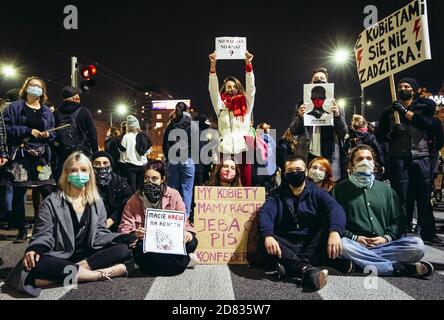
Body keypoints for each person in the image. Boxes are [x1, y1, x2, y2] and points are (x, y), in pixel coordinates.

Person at [5, 152, 132, 297]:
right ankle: (97, 275)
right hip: (59, 255)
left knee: (123, 249)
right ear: (66, 173)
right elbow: (43, 234)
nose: (79, 174)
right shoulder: (51, 202)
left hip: (86, 255)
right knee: (37, 264)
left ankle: (62, 276)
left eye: (83, 170)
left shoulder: (96, 201)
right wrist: (35, 249)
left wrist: (124, 237)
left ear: (90, 173)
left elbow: (99, 233)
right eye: (74, 170)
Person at [331, 145, 435, 278]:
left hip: (385, 245)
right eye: (360, 159)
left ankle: (359, 264)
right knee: (343, 246)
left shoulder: (387, 190)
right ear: (351, 165)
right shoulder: (338, 190)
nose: (365, 161)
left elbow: (399, 220)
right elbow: (334, 221)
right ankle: (398, 268)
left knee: (418, 246)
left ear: (374, 164)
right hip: (355, 245)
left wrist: (386, 238)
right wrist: (355, 238)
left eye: (369, 158)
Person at [257, 155, 347, 291]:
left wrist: (335, 232)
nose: (295, 173)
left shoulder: (317, 192)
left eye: (298, 169)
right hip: (286, 244)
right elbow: (265, 214)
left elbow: (335, 209)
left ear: (305, 172)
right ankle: (306, 269)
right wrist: (268, 235)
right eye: (290, 170)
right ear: (285, 174)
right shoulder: (276, 195)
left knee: (327, 226)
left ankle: (290, 267)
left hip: (310, 244)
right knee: (264, 237)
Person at [376, 77, 444, 246]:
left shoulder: (426, 106)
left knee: (423, 197)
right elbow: (379, 136)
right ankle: (400, 230)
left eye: (407, 86)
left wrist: (406, 113)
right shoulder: (389, 112)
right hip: (399, 159)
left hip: (421, 157)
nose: (403, 88)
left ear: (413, 90)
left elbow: (431, 125)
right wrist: (391, 135)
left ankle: (428, 232)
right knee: (400, 197)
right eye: (400, 86)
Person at [119, 160, 199, 276]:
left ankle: (147, 264)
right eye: (146, 178)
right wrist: (135, 233)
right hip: (148, 242)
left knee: (192, 242)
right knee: (138, 247)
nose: (149, 182)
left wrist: (187, 233)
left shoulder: (174, 195)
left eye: (154, 178)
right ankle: (184, 261)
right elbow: (124, 228)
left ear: (163, 179)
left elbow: (184, 222)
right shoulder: (134, 199)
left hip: (171, 242)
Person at [2, 77, 56, 242]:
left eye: (39, 86)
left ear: (43, 91)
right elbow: (6, 128)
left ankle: (45, 227)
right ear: (25, 88)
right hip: (21, 154)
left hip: (41, 156)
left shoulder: (46, 111)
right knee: (20, 191)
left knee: (47, 190)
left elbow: (53, 131)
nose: (35, 88)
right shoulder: (14, 107)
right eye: (32, 85)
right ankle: (21, 230)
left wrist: (48, 134)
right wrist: (27, 130)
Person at [289, 67, 348, 181]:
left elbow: (343, 133)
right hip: (306, 154)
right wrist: (300, 117)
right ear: (310, 83)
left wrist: (337, 116)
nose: (319, 81)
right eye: (315, 79)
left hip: (329, 155)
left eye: (322, 78)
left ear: (327, 83)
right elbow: (293, 131)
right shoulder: (301, 105)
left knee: (328, 188)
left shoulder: (336, 106)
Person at [208, 51, 256, 187]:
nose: (232, 89)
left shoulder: (246, 103)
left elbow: (251, 89)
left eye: (235, 87)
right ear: (224, 90)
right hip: (225, 149)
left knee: (245, 184)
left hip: (244, 149)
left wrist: (248, 65)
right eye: (228, 87)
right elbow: (212, 90)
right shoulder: (220, 106)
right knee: (223, 183)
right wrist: (213, 66)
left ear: (239, 89)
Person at [54, 86, 98, 180]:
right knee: (82, 179)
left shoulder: (56, 113)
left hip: (63, 154)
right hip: (82, 152)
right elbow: (92, 133)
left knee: (65, 180)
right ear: (75, 97)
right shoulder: (83, 111)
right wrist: (95, 153)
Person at [163, 102, 197, 219]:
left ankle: (172, 214)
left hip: (173, 159)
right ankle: (185, 215)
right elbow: (196, 143)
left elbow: (165, 142)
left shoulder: (171, 124)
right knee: (187, 189)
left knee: (172, 188)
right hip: (187, 158)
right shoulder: (192, 125)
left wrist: (168, 157)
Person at [91, 151, 133, 232]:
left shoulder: (119, 181)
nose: (101, 166)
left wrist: (112, 219)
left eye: (105, 163)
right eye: (97, 163)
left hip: (116, 224)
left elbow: (127, 201)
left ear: (111, 165)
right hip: (92, 225)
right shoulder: (88, 182)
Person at [119, 115, 145, 192]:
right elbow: (148, 151)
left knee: (132, 188)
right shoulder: (142, 136)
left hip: (130, 166)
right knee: (140, 187)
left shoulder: (126, 137)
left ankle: (133, 203)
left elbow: (122, 150)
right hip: (141, 166)